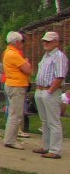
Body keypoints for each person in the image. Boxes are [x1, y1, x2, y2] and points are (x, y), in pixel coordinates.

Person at [32, 30, 67, 159]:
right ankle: (46, 146)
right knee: (44, 121)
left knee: (53, 121)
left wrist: (50, 91)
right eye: (44, 41)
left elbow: (60, 76)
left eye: (48, 41)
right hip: (40, 90)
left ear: (56, 42)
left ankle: (55, 150)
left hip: (50, 91)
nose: (45, 43)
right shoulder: (46, 55)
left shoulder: (59, 56)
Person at [2, 31, 33, 150]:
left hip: (12, 84)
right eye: (21, 42)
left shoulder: (8, 52)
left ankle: (10, 138)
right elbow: (28, 70)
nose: (22, 44)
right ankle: (10, 140)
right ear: (16, 42)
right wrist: (27, 63)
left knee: (13, 113)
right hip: (16, 86)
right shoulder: (14, 55)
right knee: (16, 115)